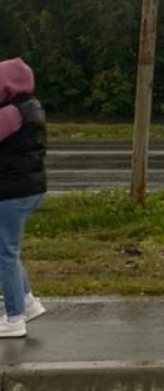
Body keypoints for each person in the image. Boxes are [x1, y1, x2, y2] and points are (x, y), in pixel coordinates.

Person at [0, 58, 47, 338]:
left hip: (11, 192)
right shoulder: (31, 106)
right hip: (25, 189)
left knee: (4, 254)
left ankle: (14, 318)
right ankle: (27, 302)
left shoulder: (11, 114)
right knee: (8, 250)